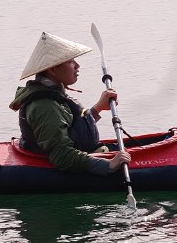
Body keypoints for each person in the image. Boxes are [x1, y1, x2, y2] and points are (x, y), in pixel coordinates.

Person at [10, 31, 122, 176]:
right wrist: (108, 165)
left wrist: (98, 108)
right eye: (70, 61)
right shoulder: (45, 106)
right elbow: (61, 155)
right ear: (52, 69)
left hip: (84, 152)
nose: (77, 65)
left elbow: (70, 128)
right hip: (56, 168)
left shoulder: (53, 93)